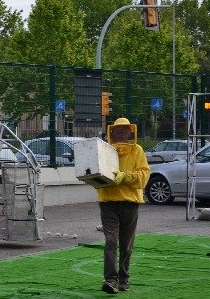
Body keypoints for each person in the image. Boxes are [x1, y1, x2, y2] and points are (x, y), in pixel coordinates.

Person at [96, 118, 150, 294]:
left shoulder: (137, 150)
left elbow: (143, 176)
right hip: (108, 203)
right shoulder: (105, 150)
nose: (121, 132)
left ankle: (124, 278)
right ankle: (111, 280)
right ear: (112, 131)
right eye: (117, 129)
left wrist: (124, 176)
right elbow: (96, 173)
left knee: (126, 244)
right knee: (111, 241)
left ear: (130, 131)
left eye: (124, 129)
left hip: (130, 203)